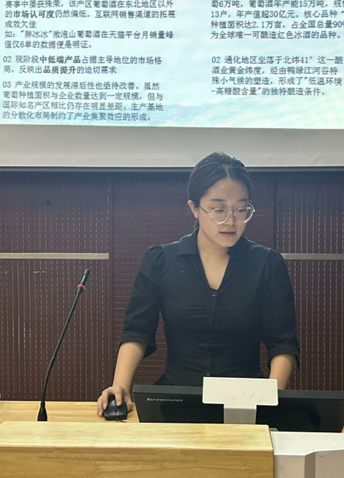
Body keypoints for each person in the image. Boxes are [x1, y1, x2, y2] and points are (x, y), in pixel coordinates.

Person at [97, 152, 299, 416]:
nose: (231, 221)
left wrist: (271, 400)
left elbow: (283, 344)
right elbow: (137, 331)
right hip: (176, 400)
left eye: (241, 210)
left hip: (246, 401)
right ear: (194, 207)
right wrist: (120, 386)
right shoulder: (161, 260)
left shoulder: (267, 264)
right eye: (218, 210)